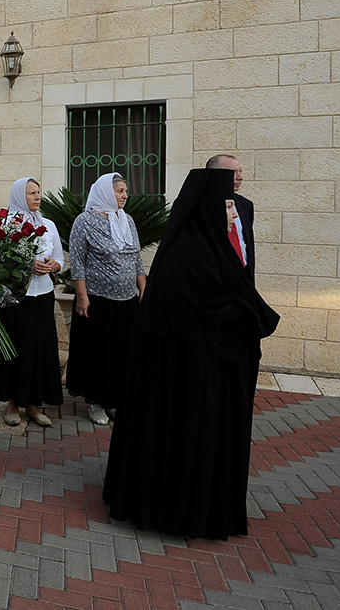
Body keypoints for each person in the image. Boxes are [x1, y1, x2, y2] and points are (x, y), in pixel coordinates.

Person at [103, 169, 279, 539]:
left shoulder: (212, 248)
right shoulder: (187, 255)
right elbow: (206, 315)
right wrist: (244, 318)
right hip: (187, 380)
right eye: (227, 206)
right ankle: (177, 512)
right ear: (207, 208)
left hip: (205, 374)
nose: (234, 215)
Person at [65, 172, 146, 426]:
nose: (125, 195)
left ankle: (115, 400)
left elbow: (137, 259)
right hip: (98, 301)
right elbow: (77, 261)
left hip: (127, 301)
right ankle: (96, 402)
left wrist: (144, 289)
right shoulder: (85, 221)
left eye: (125, 191)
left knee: (123, 353)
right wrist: (82, 296)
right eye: (120, 191)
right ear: (105, 193)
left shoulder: (126, 220)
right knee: (99, 353)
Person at [0, 177, 66, 427]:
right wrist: (28, 266)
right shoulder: (6, 225)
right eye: (32, 193)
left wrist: (53, 265)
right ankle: (12, 403)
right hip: (15, 298)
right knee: (15, 349)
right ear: (20, 195)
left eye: (39, 192)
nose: (37, 197)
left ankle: (33, 404)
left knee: (40, 348)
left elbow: (60, 259)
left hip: (43, 295)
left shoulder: (49, 225)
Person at [207, 154, 255, 282]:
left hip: (243, 275)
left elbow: (245, 242)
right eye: (233, 173)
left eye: (240, 171)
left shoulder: (245, 205)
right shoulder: (199, 206)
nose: (240, 178)